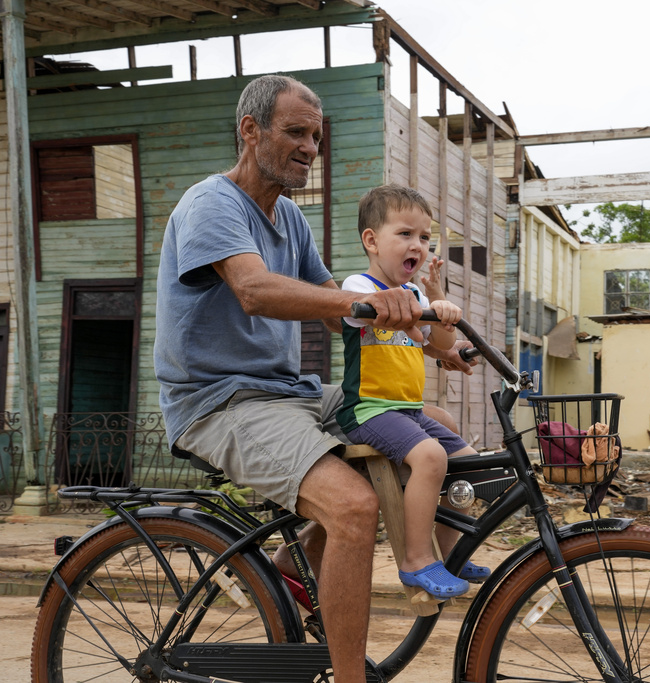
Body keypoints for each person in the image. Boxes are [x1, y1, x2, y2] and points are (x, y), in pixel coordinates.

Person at [153, 74, 472, 682]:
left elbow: (339, 308)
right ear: (251, 131)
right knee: (353, 506)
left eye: (316, 137)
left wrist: (427, 336)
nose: (309, 147)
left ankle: (297, 564)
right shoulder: (211, 204)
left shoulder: (291, 222)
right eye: (295, 133)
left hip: (288, 391)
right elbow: (253, 290)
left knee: (437, 424)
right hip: (219, 401)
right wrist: (364, 306)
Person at [337, 185, 489, 600]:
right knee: (430, 456)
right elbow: (358, 311)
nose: (417, 245)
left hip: (406, 411)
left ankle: (450, 552)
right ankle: (416, 560)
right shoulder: (359, 284)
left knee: (468, 464)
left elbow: (437, 343)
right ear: (371, 240)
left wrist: (438, 300)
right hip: (369, 410)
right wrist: (404, 309)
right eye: (405, 234)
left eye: (424, 238)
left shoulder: (418, 294)